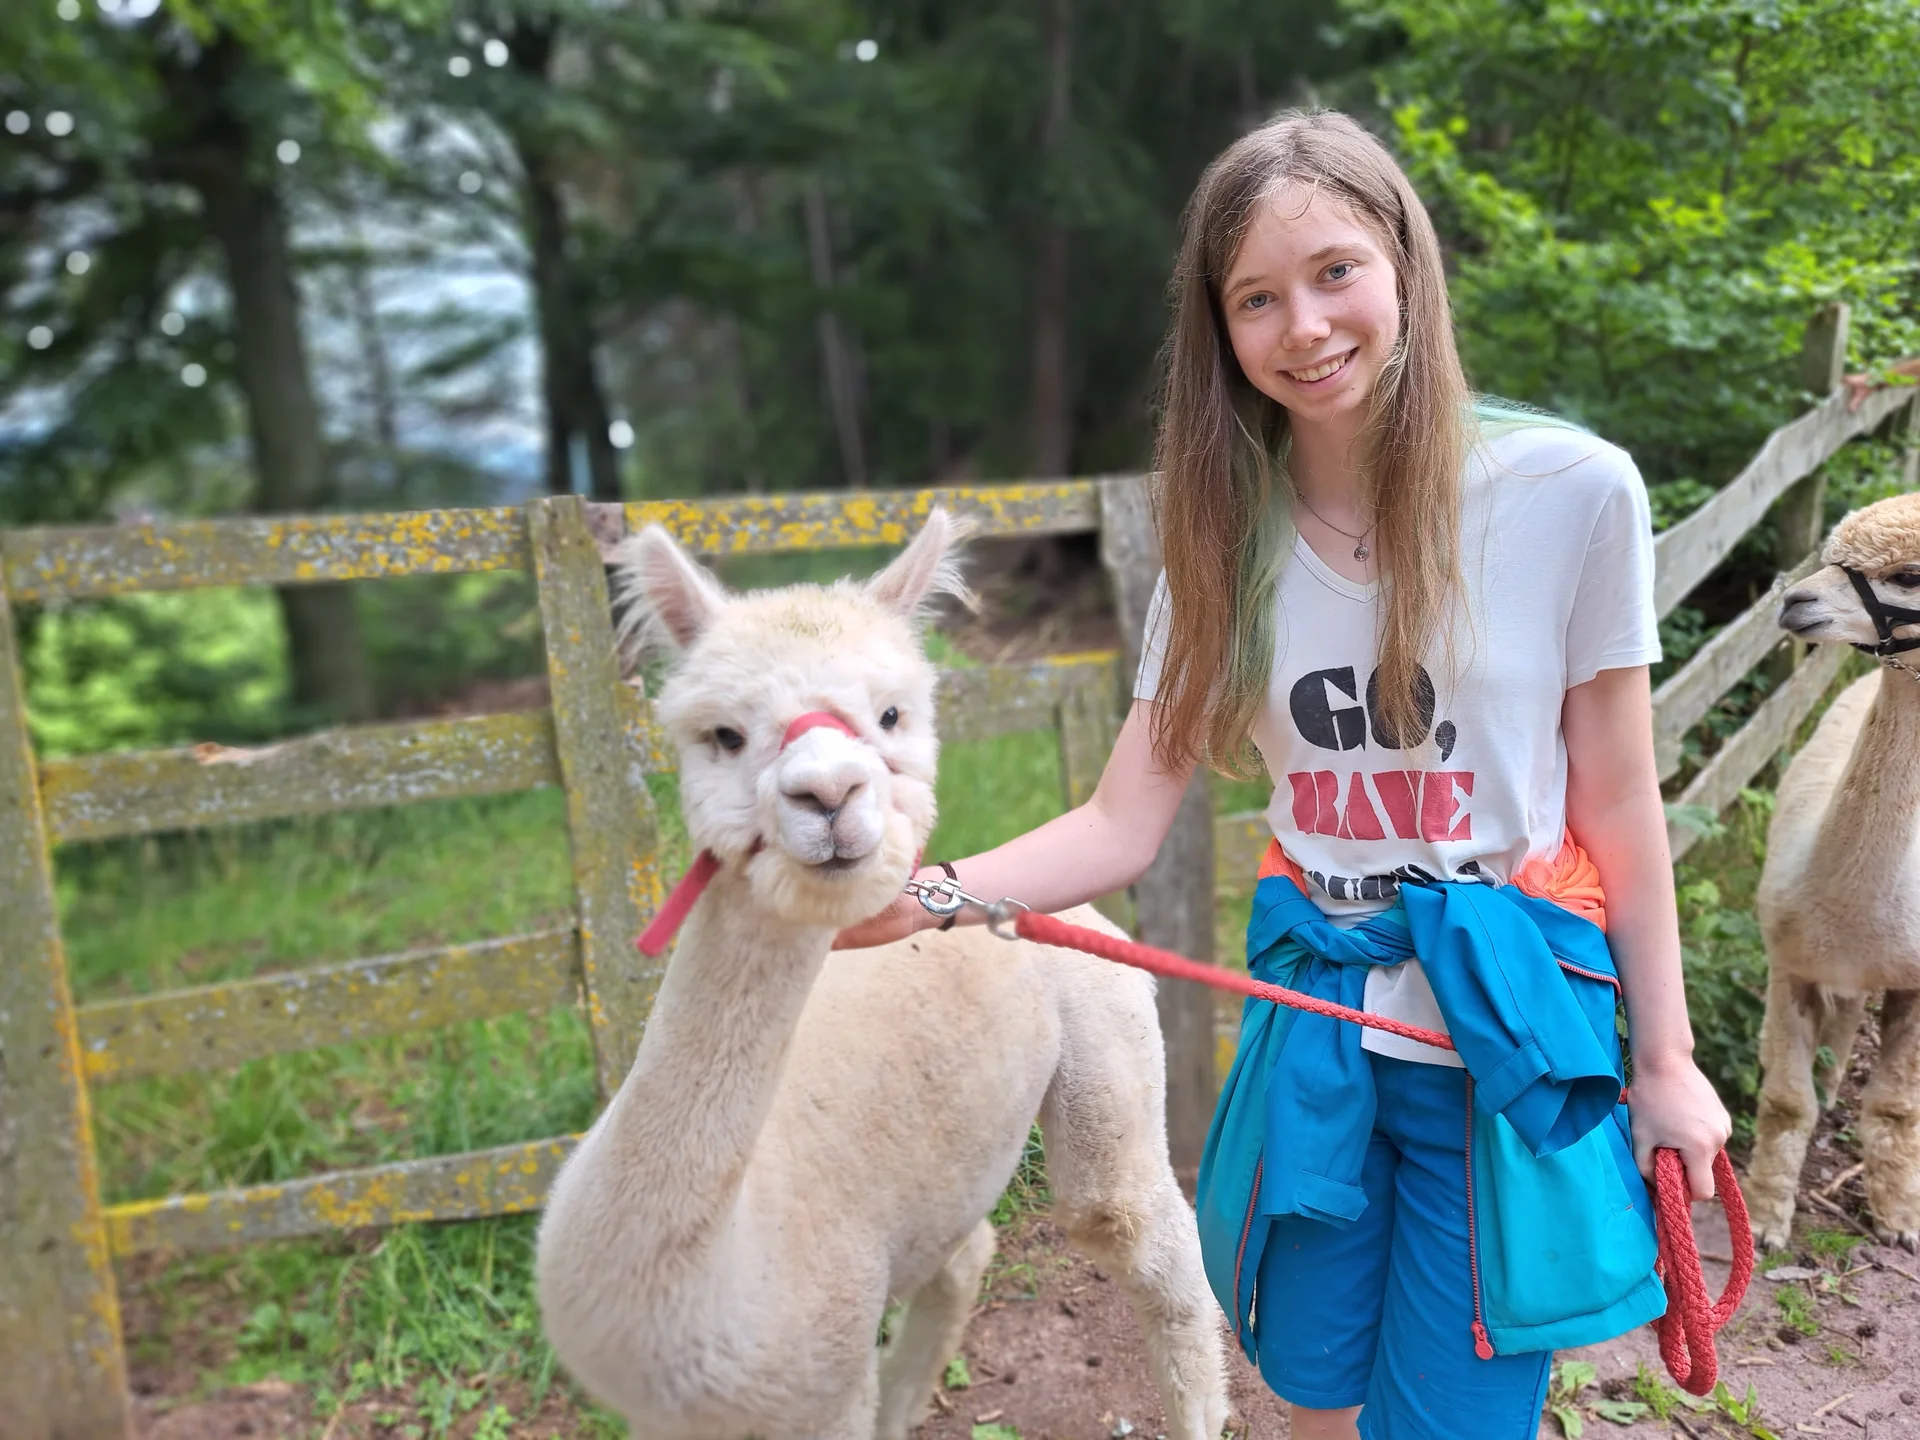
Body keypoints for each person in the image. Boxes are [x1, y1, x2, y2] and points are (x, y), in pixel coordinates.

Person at [833, 109, 1731, 1440]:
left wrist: (1665, 1058)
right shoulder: (1220, 545)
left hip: (1496, 1038)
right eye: (1257, 298)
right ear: (1221, 331)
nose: (1304, 327)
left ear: (1405, 267)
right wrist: (934, 895)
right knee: (1308, 1397)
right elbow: (1123, 818)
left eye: (1335, 272)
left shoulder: (1572, 493)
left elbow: (1616, 803)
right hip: (1313, 1020)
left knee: (1455, 1421)